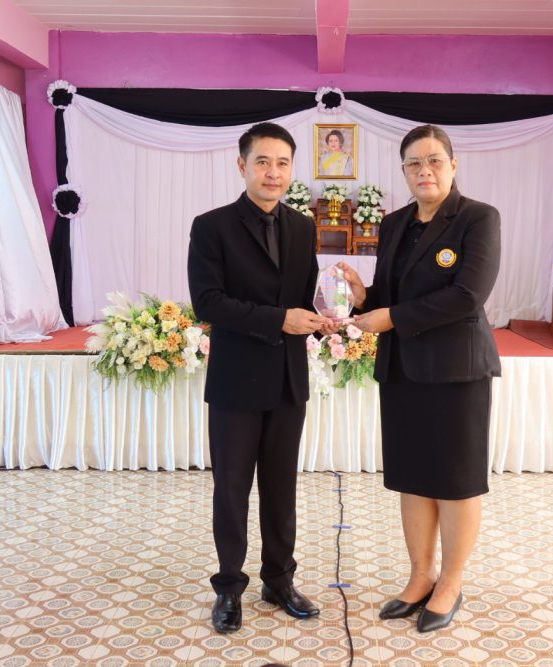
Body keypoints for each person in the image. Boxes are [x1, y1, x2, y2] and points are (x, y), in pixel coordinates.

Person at [338, 124, 501, 633]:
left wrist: (390, 317)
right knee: (412, 476)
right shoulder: (394, 223)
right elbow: (391, 292)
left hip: (457, 370)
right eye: (414, 163)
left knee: (455, 480)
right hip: (404, 367)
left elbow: (467, 296)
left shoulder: (477, 218)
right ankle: (420, 576)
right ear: (404, 171)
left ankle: (450, 581)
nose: (424, 170)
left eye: (434, 160)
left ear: (453, 165)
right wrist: (362, 296)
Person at [188, 122, 333, 634]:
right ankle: (229, 587)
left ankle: (279, 580)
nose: (273, 172)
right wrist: (279, 320)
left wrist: (325, 316)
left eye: (283, 163)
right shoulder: (212, 226)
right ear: (242, 165)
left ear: (292, 170)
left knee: (281, 487)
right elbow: (208, 303)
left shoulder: (303, 227)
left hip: (288, 380)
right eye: (263, 162)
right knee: (231, 489)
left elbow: (304, 295)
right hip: (236, 381)